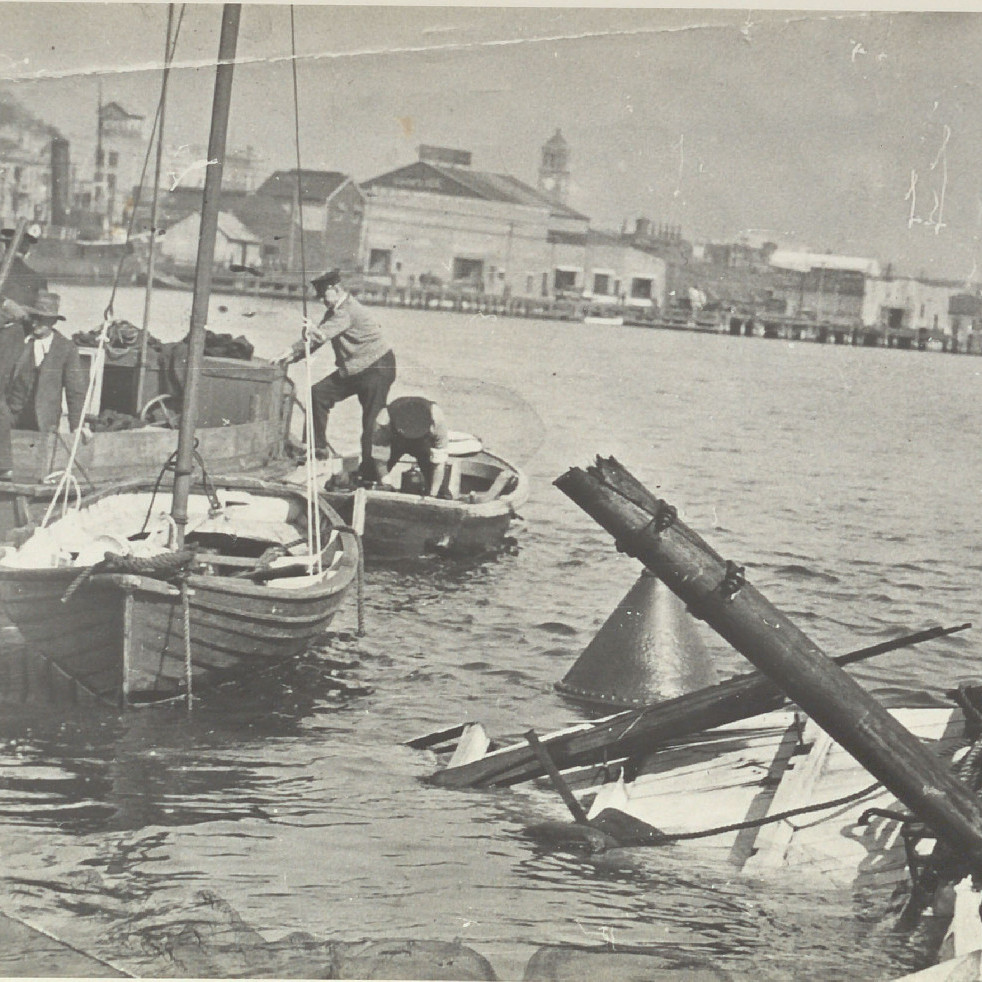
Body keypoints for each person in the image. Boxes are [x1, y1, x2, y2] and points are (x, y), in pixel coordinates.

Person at [273, 269, 396, 483]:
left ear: (336, 289)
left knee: (370, 422)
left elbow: (321, 334)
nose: (321, 300)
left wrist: (311, 330)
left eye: (323, 295)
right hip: (355, 369)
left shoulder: (346, 310)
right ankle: (317, 450)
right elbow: (317, 340)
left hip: (377, 368)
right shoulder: (334, 311)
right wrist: (291, 353)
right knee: (318, 394)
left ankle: (369, 474)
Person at [6, 292, 88, 437]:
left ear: (53, 322)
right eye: (33, 317)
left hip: (45, 422)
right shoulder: (18, 342)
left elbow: (75, 391)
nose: (35, 323)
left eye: (42, 319)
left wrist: (77, 426)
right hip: (12, 419)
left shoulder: (66, 348)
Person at [374, 396, 451, 498]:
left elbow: (439, 463)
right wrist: (386, 482)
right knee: (371, 476)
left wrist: (433, 495)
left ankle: (438, 493)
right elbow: (380, 459)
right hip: (396, 442)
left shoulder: (437, 418)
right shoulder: (384, 419)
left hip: (424, 445)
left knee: (441, 492)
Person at [0, 224, 47, 326]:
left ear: (4, 248)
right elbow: (44, 315)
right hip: (21, 334)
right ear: (27, 251)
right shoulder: (39, 279)